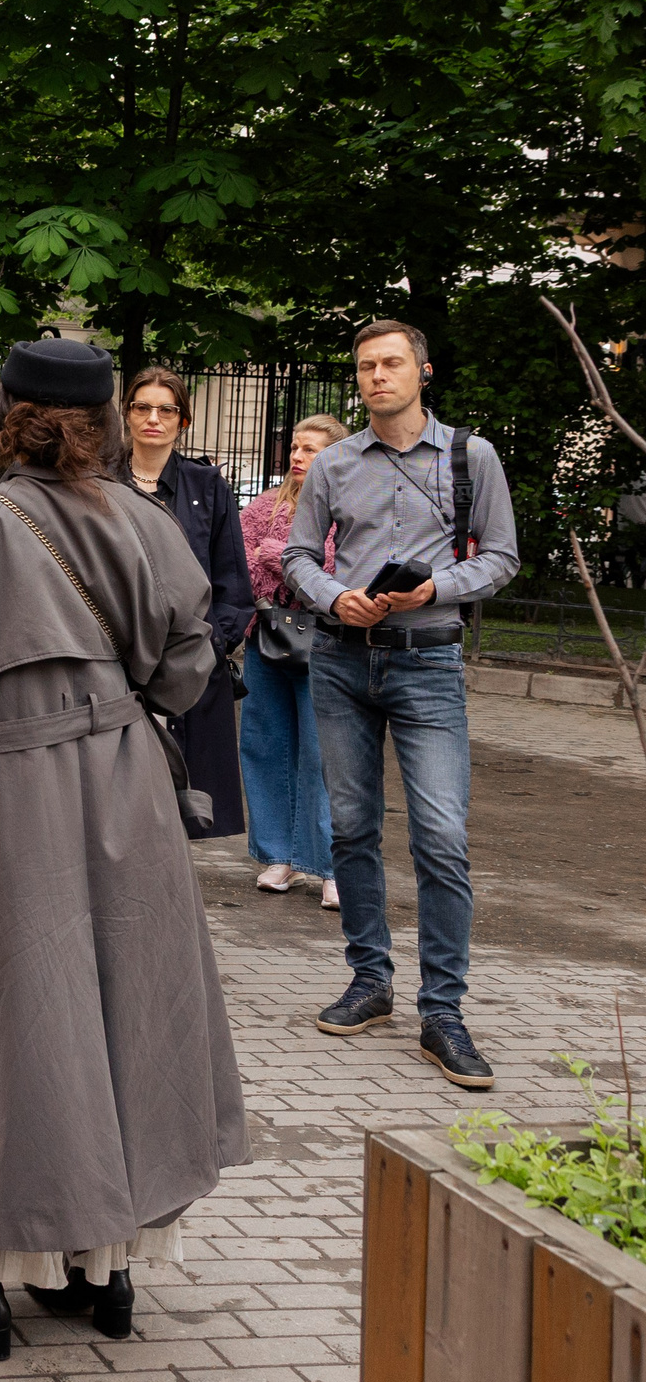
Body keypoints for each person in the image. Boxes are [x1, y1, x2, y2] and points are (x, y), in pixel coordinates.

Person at [0, 337, 245, 1363]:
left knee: (6, 1018)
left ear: (7, 412)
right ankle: (105, 1272)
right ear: (101, 420)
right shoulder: (149, 518)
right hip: (130, 785)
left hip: (19, 786)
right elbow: (189, 665)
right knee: (126, 1009)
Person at [283, 319, 519, 1090]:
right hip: (342, 662)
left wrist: (434, 588)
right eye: (365, 367)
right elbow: (295, 555)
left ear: (423, 370)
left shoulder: (469, 456)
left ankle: (443, 1011)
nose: (376, 376)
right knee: (351, 829)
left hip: (429, 665)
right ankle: (370, 981)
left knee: (441, 838)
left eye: (390, 363)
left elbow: (501, 556)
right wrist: (334, 597)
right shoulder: (336, 462)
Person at [122, 367, 255, 841]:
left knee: (188, 799)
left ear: (183, 420)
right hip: (116, 656)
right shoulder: (100, 480)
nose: (153, 418)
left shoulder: (206, 487)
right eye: (142, 407)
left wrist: (212, 645)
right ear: (127, 413)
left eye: (166, 409)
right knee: (116, 790)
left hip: (190, 657)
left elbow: (232, 577)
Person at [239, 415, 349, 910]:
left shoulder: (347, 507)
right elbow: (238, 561)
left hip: (327, 644)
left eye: (311, 450)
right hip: (266, 639)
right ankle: (277, 856)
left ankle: (330, 866)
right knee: (265, 746)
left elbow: (337, 568)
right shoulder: (263, 506)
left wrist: (274, 554)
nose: (298, 456)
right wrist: (287, 559)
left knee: (323, 755)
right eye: (296, 448)